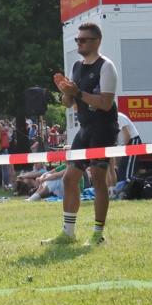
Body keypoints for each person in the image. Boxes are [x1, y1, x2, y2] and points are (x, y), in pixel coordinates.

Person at [44, 22, 118, 246]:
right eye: (77, 40)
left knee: (97, 179)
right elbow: (69, 103)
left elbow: (106, 103)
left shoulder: (106, 67)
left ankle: (98, 234)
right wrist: (65, 93)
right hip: (85, 129)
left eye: (83, 40)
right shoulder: (76, 66)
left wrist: (77, 92)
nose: (79, 43)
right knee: (69, 178)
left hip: (103, 129)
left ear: (96, 41)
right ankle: (68, 233)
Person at [110, 111, 143, 187]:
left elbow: (127, 136)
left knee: (128, 171)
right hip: (124, 145)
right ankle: (122, 189)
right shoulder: (109, 120)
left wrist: (121, 150)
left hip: (133, 142)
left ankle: (127, 189)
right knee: (121, 170)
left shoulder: (118, 117)